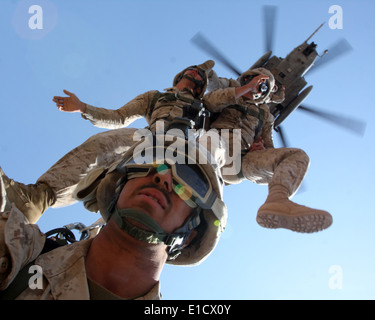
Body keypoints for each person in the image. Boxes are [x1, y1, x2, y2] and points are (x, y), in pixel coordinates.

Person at [0, 137, 227, 299]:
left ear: (190, 236)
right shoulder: (17, 251)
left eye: (189, 180)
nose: (161, 175)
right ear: (118, 186)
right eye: (149, 160)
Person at [0, 60, 217, 224]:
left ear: (201, 87)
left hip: (187, 150)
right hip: (150, 137)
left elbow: (231, 100)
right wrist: (83, 108)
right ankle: (35, 200)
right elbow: (119, 117)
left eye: (199, 74)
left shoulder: (208, 106)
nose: (194, 71)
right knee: (103, 144)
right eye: (191, 69)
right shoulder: (155, 97)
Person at [203, 67, 332, 233]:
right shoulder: (230, 93)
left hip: (238, 162)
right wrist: (244, 89)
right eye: (257, 81)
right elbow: (209, 102)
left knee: (297, 156)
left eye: (264, 86)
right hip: (211, 147)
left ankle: (278, 200)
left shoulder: (265, 115)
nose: (259, 86)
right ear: (247, 79)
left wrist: (262, 149)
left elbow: (269, 147)